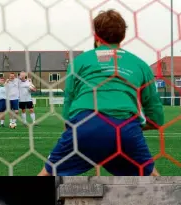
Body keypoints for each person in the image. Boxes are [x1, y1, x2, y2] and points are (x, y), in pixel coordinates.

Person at [39, 9, 164, 176]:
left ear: (96, 34)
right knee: (152, 178)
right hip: (125, 129)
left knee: (48, 172)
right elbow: (156, 116)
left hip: (84, 126)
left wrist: (75, 130)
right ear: (123, 35)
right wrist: (132, 128)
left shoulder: (80, 61)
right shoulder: (140, 64)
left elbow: (68, 102)